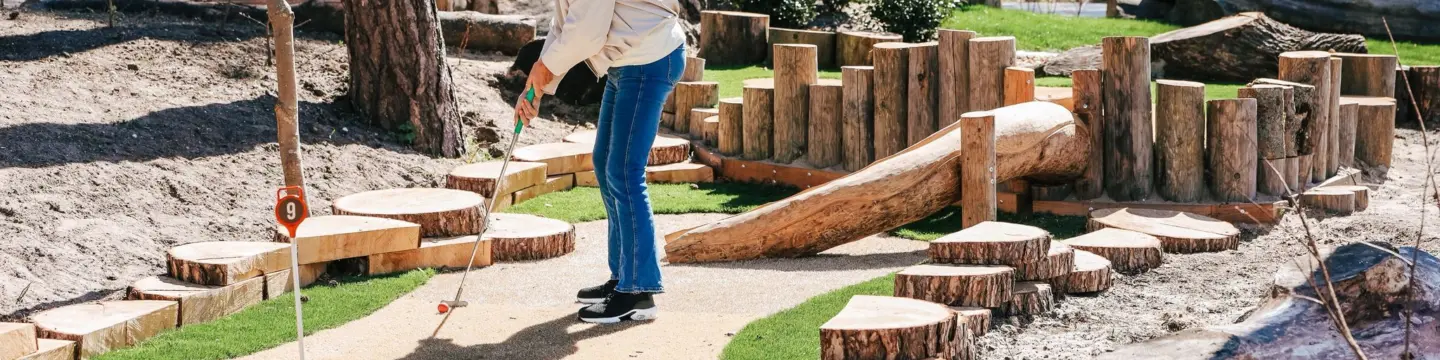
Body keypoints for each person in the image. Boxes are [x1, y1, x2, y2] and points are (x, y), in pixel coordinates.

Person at [514, 0, 687, 324]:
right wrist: (538, 85)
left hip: (649, 57)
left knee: (624, 171)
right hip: (626, 60)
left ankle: (638, 291)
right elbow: (564, 26)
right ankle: (623, 277)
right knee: (605, 161)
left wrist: (544, 68)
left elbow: (586, 35)